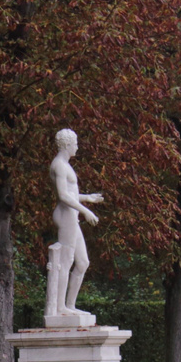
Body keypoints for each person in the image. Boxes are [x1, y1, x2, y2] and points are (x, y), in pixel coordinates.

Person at [49, 128, 103, 320]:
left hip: (72, 216)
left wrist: (88, 198)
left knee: (83, 262)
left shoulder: (64, 165)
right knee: (66, 261)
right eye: (75, 144)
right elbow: (63, 196)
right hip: (66, 216)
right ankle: (60, 307)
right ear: (66, 144)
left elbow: (70, 194)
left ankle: (69, 305)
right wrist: (86, 210)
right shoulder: (59, 166)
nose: (77, 147)